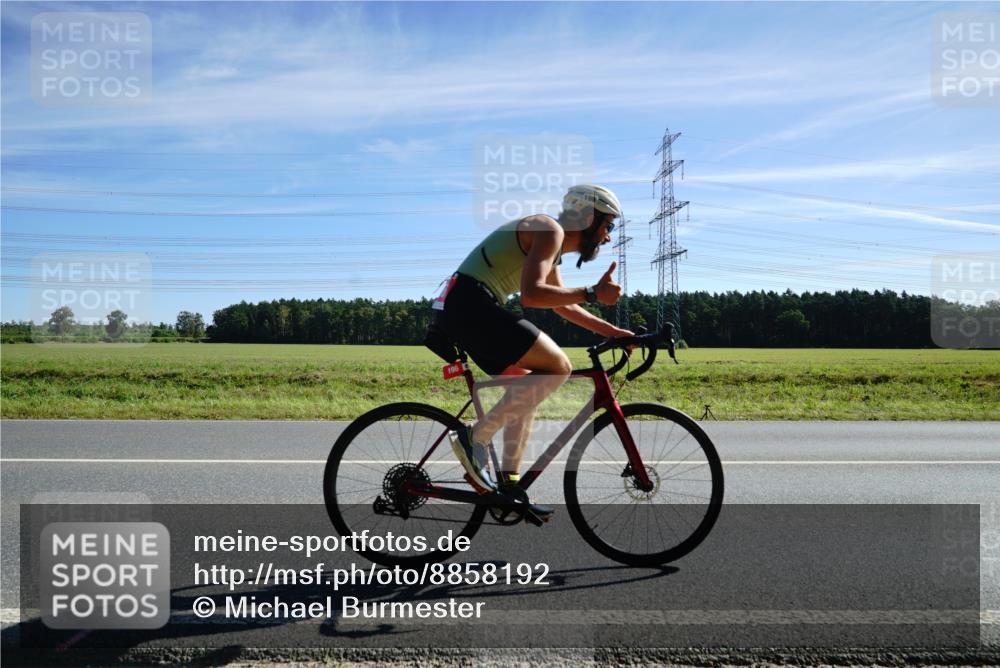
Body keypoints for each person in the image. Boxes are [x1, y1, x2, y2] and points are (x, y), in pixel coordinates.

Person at [439, 184, 633, 516]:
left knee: (527, 388)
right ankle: (476, 438)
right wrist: (592, 292)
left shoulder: (551, 242)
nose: (608, 236)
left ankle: (508, 486)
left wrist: (614, 332)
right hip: (471, 304)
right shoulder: (549, 229)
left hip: (464, 305)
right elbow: (533, 294)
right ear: (589, 217)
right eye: (608, 225)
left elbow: (561, 304)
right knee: (558, 366)